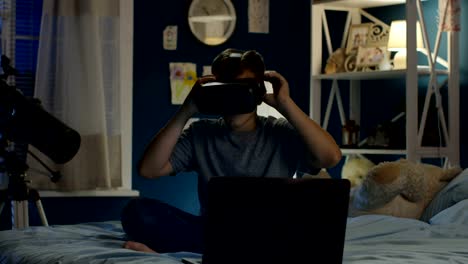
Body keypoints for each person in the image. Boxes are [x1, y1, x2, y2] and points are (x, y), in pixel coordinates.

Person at [121, 48, 342, 254]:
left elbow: (330, 157)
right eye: (226, 88)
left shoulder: (279, 132)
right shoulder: (201, 133)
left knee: (309, 225)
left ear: (257, 92)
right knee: (138, 211)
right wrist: (187, 109)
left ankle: (215, 252)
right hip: (214, 232)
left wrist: (284, 103)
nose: (233, 98)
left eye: (241, 88)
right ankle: (232, 252)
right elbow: (149, 170)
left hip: (270, 232)